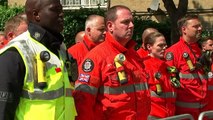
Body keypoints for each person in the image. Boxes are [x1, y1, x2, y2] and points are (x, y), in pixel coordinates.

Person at [0, 0, 77, 119]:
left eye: (61, 10)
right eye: (55, 10)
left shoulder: (60, 47)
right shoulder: (16, 52)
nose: (61, 14)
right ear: (36, 15)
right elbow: (3, 110)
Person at [73, 5, 151, 120]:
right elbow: (83, 103)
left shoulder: (134, 57)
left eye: (132, 22)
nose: (131, 25)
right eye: (125, 22)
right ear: (110, 26)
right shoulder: (96, 57)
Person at [165, 15, 207, 119]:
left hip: (205, 110)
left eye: (200, 26)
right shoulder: (173, 52)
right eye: (196, 26)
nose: (200, 29)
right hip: (185, 113)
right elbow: (170, 82)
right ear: (184, 29)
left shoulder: (200, 50)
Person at [142, 32, 176, 119]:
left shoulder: (166, 67)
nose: (164, 48)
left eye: (165, 45)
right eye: (160, 45)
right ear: (149, 47)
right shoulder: (143, 66)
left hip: (169, 115)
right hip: (153, 116)